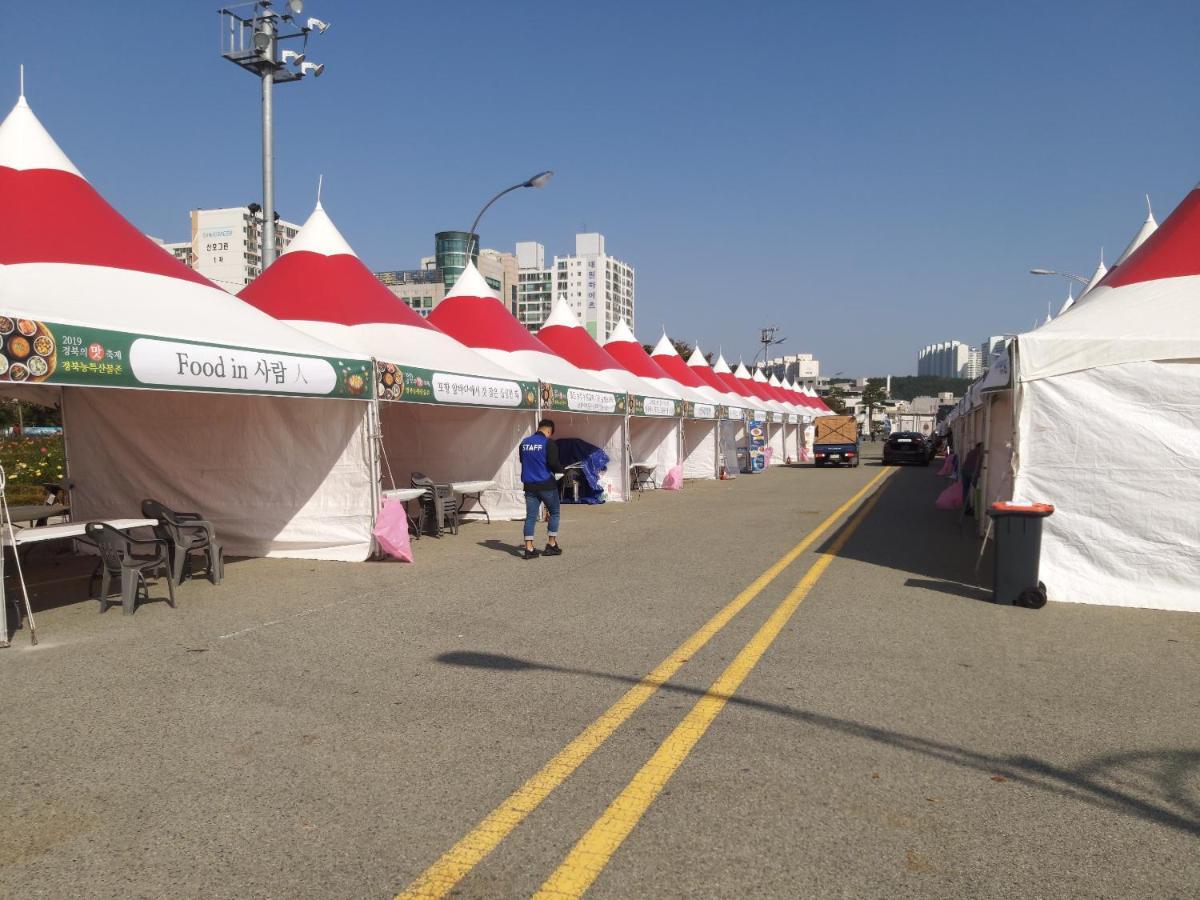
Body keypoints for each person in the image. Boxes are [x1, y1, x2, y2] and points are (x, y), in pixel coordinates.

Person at [519, 418, 565, 560]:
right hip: (546, 484)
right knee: (555, 513)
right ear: (549, 431)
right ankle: (551, 545)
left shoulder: (524, 443)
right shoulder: (548, 443)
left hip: (529, 485)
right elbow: (553, 463)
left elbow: (522, 460)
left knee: (531, 517)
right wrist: (561, 471)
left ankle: (529, 548)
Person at [961, 441, 983, 513]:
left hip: (964, 471)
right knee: (977, 490)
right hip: (972, 472)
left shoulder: (970, 452)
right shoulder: (981, 453)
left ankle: (966, 508)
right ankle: (977, 509)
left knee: (965, 490)